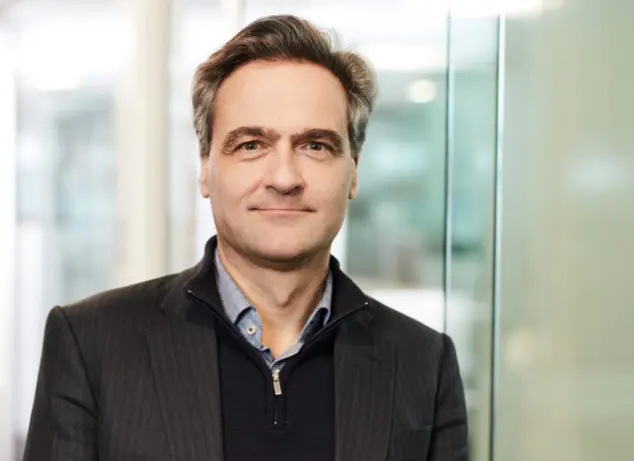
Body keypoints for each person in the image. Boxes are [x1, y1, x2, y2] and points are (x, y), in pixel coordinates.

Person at [23, 14, 468, 461]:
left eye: (315, 145)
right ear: (205, 167)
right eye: (251, 145)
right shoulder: (90, 344)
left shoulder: (424, 363)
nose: (284, 178)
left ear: (353, 171)